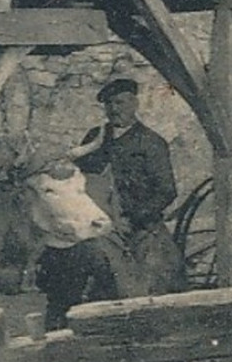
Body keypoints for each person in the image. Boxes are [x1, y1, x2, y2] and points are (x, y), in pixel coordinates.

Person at [67, 76, 183, 290]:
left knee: (157, 272)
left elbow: (167, 191)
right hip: (100, 223)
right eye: (109, 104)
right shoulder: (95, 137)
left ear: (134, 104)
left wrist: (134, 218)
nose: (113, 109)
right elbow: (79, 177)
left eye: (120, 103)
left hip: (139, 225)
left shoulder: (151, 142)